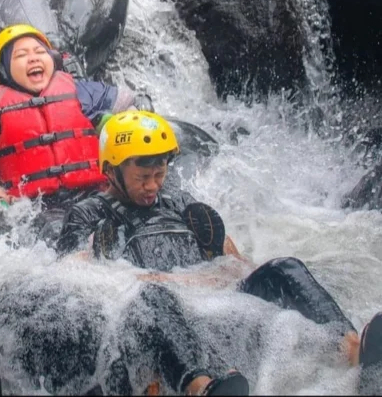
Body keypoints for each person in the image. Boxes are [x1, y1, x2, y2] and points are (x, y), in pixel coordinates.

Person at [58, 111, 382, 393]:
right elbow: (78, 276)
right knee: (149, 295)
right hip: (160, 310)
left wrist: (233, 270)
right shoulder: (87, 213)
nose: (154, 186)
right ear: (111, 171)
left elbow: (232, 257)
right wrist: (167, 280)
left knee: (284, 267)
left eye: (159, 175)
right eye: (142, 177)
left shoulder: (180, 201)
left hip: (216, 299)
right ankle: (200, 387)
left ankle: (351, 348)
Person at [0, 23, 152, 208]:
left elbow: (128, 101)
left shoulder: (79, 90)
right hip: (30, 207)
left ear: (54, 60)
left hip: (94, 194)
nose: (33, 59)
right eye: (21, 55)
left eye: (40, 52)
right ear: (3, 71)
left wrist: (125, 120)